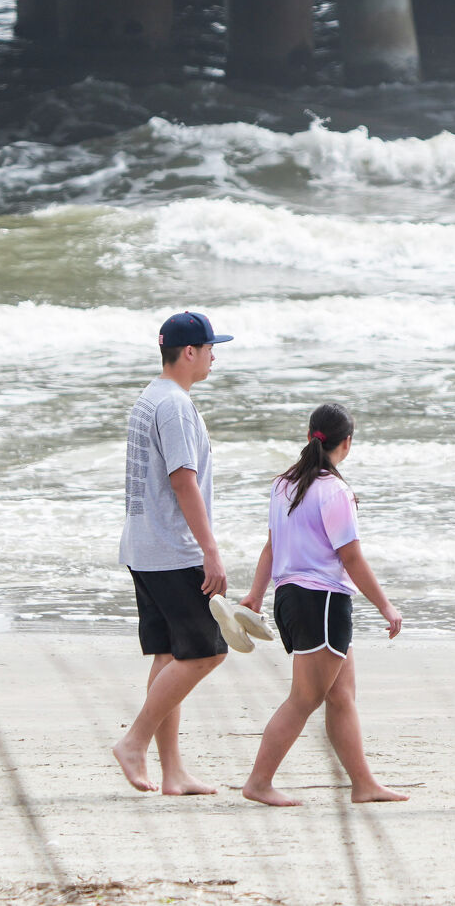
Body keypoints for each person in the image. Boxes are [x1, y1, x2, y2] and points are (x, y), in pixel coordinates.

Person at [236, 403, 407, 808]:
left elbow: (272, 546)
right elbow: (351, 558)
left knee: (341, 695)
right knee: (304, 699)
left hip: (290, 598)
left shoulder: (284, 484)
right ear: (346, 443)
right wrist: (387, 607)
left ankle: (363, 784)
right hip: (323, 603)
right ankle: (259, 782)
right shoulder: (335, 491)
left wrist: (256, 596)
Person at [112, 311, 234, 795]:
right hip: (172, 548)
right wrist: (210, 550)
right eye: (209, 347)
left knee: (169, 655)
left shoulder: (151, 396)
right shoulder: (175, 406)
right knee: (207, 651)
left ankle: (173, 772)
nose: (213, 355)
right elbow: (183, 480)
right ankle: (134, 741)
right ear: (189, 352)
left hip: (143, 545)